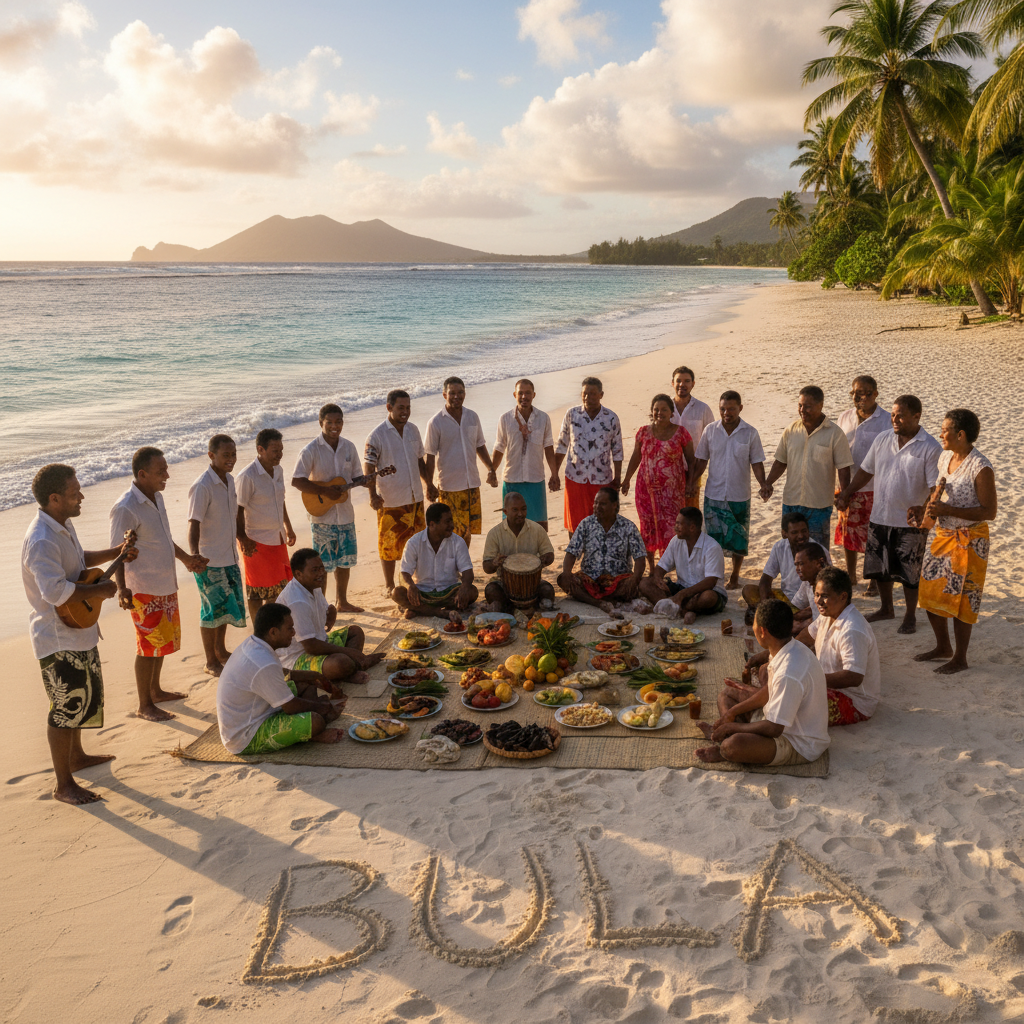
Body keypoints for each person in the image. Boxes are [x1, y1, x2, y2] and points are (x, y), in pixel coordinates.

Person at [22, 464, 137, 804]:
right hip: (56, 636)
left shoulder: (61, 524)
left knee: (82, 698)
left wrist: (117, 552)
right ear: (54, 498)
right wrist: (97, 593)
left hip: (78, 629)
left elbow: (79, 561)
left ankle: (77, 757)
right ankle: (63, 785)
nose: (82, 496)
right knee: (64, 707)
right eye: (75, 493)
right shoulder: (41, 540)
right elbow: (55, 592)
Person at [111, 447, 208, 722]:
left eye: (166, 468)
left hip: (165, 582)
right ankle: (145, 704)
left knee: (161, 642)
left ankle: (156, 691)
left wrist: (187, 559)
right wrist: (122, 589)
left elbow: (164, 539)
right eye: (161, 471)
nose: (167, 475)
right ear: (142, 474)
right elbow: (117, 551)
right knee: (147, 645)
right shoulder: (125, 507)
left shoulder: (157, 496)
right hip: (143, 587)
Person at [835, 395, 941, 634]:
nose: (895, 419)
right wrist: (847, 493)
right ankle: (886, 608)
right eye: (893, 414)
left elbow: (936, 488)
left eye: (900, 415)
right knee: (880, 568)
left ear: (917, 416)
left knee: (909, 573)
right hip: (880, 514)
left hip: (910, 522)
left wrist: (924, 508)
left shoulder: (930, 447)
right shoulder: (883, 439)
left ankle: (911, 616)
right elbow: (865, 471)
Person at [913, 409, 998, 675]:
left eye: (945, 429)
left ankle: (960, 657)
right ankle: (943, 647)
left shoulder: (980, 467)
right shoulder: (945, 456)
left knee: (963, 599)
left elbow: (989, 511)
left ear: (960, 434)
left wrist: (947, 511)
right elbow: (938, 489)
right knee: (929, 592)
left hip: (970, 540)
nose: (940, 433)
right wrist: (924, 511)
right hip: (943, 535)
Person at [695, 599, 829, 767]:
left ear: (763, 632)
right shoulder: (786, 647)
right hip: (775, 720)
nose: (753, 629)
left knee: (733, 746)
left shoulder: (789, 672)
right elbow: (768, 692)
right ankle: (729, 736)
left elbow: (774, 729)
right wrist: (733, 712)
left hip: (797, 742)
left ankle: (725, 747)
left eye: (754, 625)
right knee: (727, 694)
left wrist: (732, 727)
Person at [216, 603, 344, 755]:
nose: (293, 632)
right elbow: (290, 706)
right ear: (273, 632)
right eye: (289, 628)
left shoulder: (255, 644)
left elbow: (280, 673)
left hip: (258, 708)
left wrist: (312, 675)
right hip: (245, 735)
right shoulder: (263, 662)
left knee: (307, 683)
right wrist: (321, 706)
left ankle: (307, 723)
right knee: (316, 721)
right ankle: (312, 734)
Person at [291, 404, 366, 613]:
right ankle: (321, 606)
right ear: (320, 423)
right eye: (330, 422)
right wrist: (324, 492)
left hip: (345, 515)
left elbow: (357, 476)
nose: (335, 426)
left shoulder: (349, 447)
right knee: (321, 566)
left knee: (345, 561)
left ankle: (342, 601)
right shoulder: (310, 450)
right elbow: (297, 481)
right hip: (322, 516)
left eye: (339, 422)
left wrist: (368, 480)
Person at [691, 390, 767, 589]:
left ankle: (734, 575)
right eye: (723, 409)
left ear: (740, 408)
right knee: (712, 539)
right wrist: (691, 482)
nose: (727, 412)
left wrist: (763, 484)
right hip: (713, 494)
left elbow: (757, 463)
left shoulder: (750, 432)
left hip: (739, 495)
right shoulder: (710, 430)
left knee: (739, 539)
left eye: (731, 408)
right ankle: (714, 576)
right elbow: (701, 461)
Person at [762, 386, 854, 548]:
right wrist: (768, 483)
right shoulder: (791, 430)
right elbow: (781, 461)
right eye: (800, 405)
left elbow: (843, 467)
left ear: (820, 405)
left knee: (817, 549)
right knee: (789, 547)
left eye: (808, 406)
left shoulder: (835, 433)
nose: (802, 410)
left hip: (819, 505)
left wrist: (844, 495)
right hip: (791, 501)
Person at [276, 549, 381, 684]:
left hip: (320, 642)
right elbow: (310, 646)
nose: (321, 573)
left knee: (355, 632)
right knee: (341, 663)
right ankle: (353, 668)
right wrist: (348, 652)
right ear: (298, 574)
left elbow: (325, 612)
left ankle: (352, 668)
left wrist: (331, 612)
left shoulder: (312, 585)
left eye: (321, 568)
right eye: (315, 570)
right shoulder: (296, 601)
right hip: (297, 658)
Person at [187, 434, 246, 677]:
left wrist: (242, 539)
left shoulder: (230, 480)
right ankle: (210, 660)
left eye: (233, 454)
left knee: (225, 607)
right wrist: (194, 556)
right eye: (226, 455)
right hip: (209, 561)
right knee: (211, 610)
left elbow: (233, 517)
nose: (231, 459)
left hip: (229, 556)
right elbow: (193, 523)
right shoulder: (202, 486)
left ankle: (221, 651)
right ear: (211, 456)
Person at [364, 389, 430, 595]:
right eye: (401, 407)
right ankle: (389, 585)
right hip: (391, 499)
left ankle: (418, 580)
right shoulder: (376, 435)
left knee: (418, 541)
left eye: (408, 407)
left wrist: (429, 483)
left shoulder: (413, 430)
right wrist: (372, 495)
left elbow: (420, 460)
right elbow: (369, 467)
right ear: (389, 407)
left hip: (415, 496)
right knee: (389, 544)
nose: (405, 412)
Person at [796, 567, 880, 726]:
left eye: (825, 596)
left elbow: (854, 677)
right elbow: (805, 637)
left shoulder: (852, 629)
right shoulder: (827, 616)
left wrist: (811, 680)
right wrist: (770, 655)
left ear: (843, 597)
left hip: (853, 701)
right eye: (817, 595)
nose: (819, 601)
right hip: (828, 686)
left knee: (790, 704)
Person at [621, 394, 696, 570]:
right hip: (646, 492)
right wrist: (626, 479)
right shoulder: (643, 432)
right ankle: (651, 568)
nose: (659, 413)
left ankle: (667, 567)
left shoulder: (681, 433)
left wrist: (691, 483)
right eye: (656, 409)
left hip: (673, 493)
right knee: (648, 529)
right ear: (651, 412)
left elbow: (691, 461)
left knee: (672, 528)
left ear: (671, 413)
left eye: (664, 409)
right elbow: (636, 457)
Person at [424, 377, 497, 549]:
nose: (456, 396)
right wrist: (429, 484)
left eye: (460, 392)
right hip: (450, 488)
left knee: (467, 531)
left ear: (465, 393)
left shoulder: (472, 417)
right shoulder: (435, 422)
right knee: (449, 532)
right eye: (452, 393)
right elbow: (430, 457)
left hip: (472, 484)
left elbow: (480, 445)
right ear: (444, 395)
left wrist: (491, 469)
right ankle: (450, 568)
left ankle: (461, 564)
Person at [834, 376, 890, 587]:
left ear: (875, 394)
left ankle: (874, 580)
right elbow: (837, 452)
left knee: (873, 535)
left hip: (875, 487)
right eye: (856, 393)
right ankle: (851, 575)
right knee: (848, 531)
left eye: (866, 393)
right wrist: (838, 489)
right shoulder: (845, 417)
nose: (860, 397)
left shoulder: (886, 419)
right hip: (847, 485)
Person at [236, 428, 296, 621]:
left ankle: (270, 627)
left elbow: (281, 500)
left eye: (281, 450)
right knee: (256, 590)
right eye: (274, 451)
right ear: (260, 449)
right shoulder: (247, 476)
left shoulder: (278, 470)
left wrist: (288, 526)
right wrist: (243, 538)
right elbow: (237, 511)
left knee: (277, 589)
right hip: (255, 541)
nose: (279, 455)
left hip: (277, 538)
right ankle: (258, 631)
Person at [553, 377, 623, 535]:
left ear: (601, 395)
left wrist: (618, 477)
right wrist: (554, 473)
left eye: (592, 393)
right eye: (585, 393)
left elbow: (617, 450)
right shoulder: (572, 414)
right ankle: (576, 556)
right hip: (575, 478)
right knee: (575, 523)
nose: (588, 397)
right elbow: (562, 445)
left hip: (602, 479)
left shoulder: (611, 418)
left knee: (602, 521)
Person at [558, 486, 647, 611]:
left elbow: (640, 559)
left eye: (603, 504)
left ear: (614, 505)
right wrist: (567, 572)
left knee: (641, 584)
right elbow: (571, 553)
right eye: (595, 503)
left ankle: (604, 599)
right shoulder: (586, 524)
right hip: (589, 579)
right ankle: (598, 603)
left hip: (618, 580)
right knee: (563, 579)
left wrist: (634, 579)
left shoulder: (628, 527)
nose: (597, 507)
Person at [492, 378, 559, 530]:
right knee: (510, 527)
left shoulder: (543, 418)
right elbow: (499, 447)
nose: (524, 397)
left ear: (534, 395)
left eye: (527, 393)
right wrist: (492, 470)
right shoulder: (505, 419)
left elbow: (548, 447)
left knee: (538, 527)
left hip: (535, 479)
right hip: (512, 480)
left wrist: (554, 474)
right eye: (520, 393)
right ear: (514, 395)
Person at [639, 507, 727, 622]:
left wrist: (683, 594)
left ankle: (676, 607)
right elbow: (661, 567)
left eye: (679, 524)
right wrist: (658, 579)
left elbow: (710, 582)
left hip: (704, 591)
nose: (676, 527)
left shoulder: (712, 547)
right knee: (645, 583)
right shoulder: (676, 541)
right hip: (681, 588)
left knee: (708, 597)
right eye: (676, 523)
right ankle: (683, 610)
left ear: (692, 527)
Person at [393, 502, 478, 618]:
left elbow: (468, 572)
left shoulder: (458, 542)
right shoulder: (413, 543)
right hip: (422, 592)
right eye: (447, 522)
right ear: (432, 524)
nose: (452, 525)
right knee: (397, 593)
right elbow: (405, 571)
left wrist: (464, 587)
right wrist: (411, 586)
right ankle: (440, 612)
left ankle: (420, 610)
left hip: (449, 592)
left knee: (472, 591)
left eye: (451, 521)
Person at [482, 491, 556, 612]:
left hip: (532, 585)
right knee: (491, 590)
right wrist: (495, 563)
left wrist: (545, 559)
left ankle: (510, 608)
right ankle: (524, 607)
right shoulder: (494, 533)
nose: (520, 514)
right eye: (515, 510)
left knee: (547, 590)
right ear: (505, 512)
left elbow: (549, 554)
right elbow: (486, 567)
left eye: (523, 509)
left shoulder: (537, 529)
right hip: (505, 585)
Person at [742, 511, 831, 610]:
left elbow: (828, 587)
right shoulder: (779, 547)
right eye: (794, 532)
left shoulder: (819, 552)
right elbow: (766, 579)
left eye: (804, 531)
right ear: (784, 534)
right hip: (785, 597)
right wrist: (765, 604)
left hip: (808, 603)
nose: (801, 536)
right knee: (748, 590)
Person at [669, 365, 715, 508]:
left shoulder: (703, 409)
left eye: (687, 381)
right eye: (678, 381)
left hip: (694, 470)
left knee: (691, 510)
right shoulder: (664, 408)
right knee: (669, 512)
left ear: (693, 384)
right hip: (667, 470)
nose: (682, 384)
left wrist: (696, 476)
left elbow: (711, 441)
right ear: (672, 383)